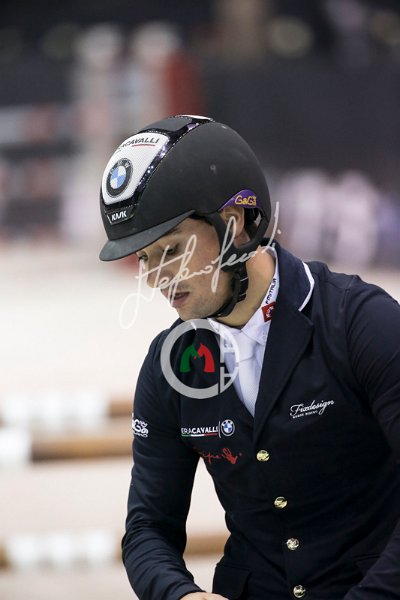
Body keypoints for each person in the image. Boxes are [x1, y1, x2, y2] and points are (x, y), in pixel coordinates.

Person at [99, 115, 400, 600]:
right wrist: (182, 595)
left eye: (171, 251)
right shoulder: (169, 366)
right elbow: (148, 529)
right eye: (146, 259)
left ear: (233, 226)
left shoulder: (363, 323)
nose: (155, 279)